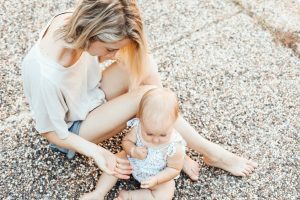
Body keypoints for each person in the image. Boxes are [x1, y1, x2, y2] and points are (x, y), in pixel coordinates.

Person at [21, 0, 257, 187]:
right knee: (147, 95)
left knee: (143, 61)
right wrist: (99, 153)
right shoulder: (45, 74)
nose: (114, 55)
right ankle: (211, 152)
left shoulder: (76, 20)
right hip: (73, 130)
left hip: (90, 95)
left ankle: (169, 144)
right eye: (110, 49)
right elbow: (50, 132)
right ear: (89, 34)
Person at [81, 88, 186, 200]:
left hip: (157, 174)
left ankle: (129, 196)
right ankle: (99, 192)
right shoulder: (138, 128)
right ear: (141, 120)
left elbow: (174, 169)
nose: (155, 140)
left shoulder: (175, 147)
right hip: (132, 162)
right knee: (115, 160)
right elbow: (126, 142)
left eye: (163, 135)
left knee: (165, 193)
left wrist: (157, 179)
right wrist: (132, 150)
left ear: (174, 123)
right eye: (149, 134)